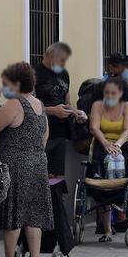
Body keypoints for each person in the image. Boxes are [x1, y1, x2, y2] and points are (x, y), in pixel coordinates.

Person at [0, 62, 54, 257]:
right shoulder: (40, 105)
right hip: (37, 164)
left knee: (13, 215)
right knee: (33, 216)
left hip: (15, 165)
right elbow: (45, 137)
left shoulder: (14, 104)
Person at [87, 78, 128, 242]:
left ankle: (124, 216)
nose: (109, 95)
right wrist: (106, 143)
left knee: (123, 171)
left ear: (121, 93)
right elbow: (94, 127)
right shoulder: (98, 105)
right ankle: (107, 230)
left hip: (122, 145)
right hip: (101, 144)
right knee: (99, 180)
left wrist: (118, 145)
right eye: (107, 92)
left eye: (113, 93)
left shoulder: (127, 106)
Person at [34, 42, 87, 176]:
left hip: (60, 133)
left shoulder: (64, 74)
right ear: (51, 57)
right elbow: (27, 107)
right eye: (61, 60)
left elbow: (66, 100)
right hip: (41, 134)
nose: (63, 64)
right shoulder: (34, 74)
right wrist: (52, 111)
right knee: (41, 176)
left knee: (58, 177)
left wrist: (75, 112)